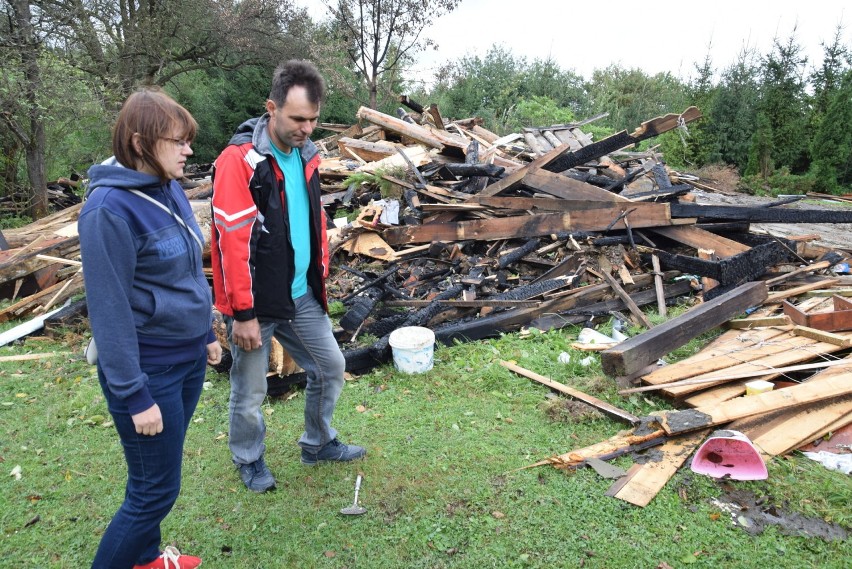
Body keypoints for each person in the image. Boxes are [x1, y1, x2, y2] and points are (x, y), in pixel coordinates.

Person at [79, 88, 222, 569]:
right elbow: (109, 310)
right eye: (178, 141)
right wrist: (134, 394)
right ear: (141, 143)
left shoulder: (169, 188)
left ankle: (146, 561)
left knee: (151, 477)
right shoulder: (107, 211)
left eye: (188, 141)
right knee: (153, 492)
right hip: (149, 372)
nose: (188, 150)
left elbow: (184, 272)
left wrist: (204, 333)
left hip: (185, 361)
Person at [211, 59, 365, 493]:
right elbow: (232, 243)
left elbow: (311, 221)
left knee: (331, 367)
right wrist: (241, 314)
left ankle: (317, 443)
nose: (306, 128)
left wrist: (319, 280)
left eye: (313, 119)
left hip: (300, 295)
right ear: (271, 108)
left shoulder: (307, 156)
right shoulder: (239, 162)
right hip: (255, 305)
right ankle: (248, 458)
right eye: (298, 119)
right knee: (249, 391)